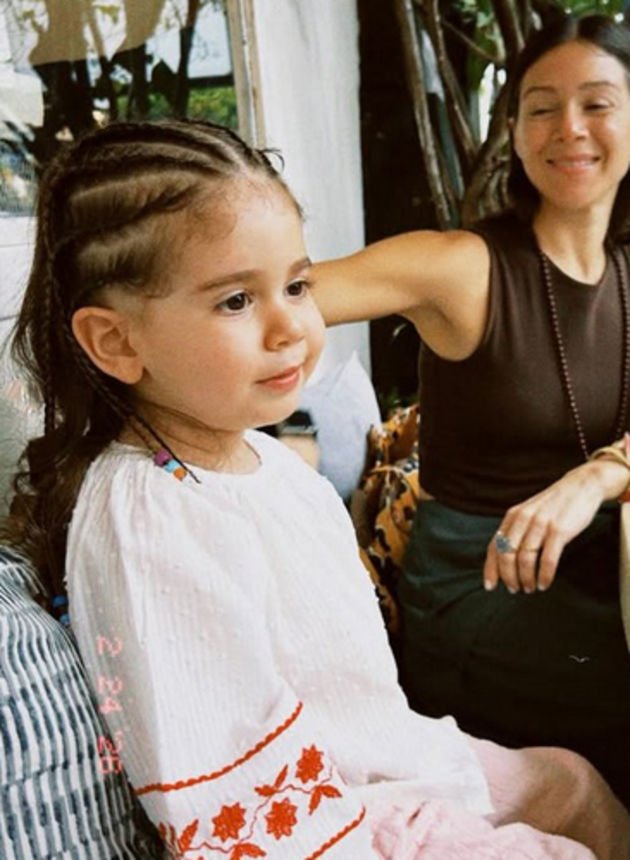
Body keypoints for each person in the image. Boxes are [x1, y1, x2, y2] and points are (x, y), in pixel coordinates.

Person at [3, 118, 629, 860]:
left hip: (385, 762)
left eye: (298, 286)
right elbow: (225, 793)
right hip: (333, 821)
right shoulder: (151, 517)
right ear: (117, 341)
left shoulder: (263, 462)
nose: (290, 326)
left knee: (575, 784)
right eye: (236, 301)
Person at [312, 12, 630, 809]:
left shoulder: (628, 268)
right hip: (483, 589)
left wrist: (596, 476)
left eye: (597, 103)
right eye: (541, 108)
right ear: (515, 134)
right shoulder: (462, 267)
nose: (570, 128)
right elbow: (271, 303)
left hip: (610, 568)